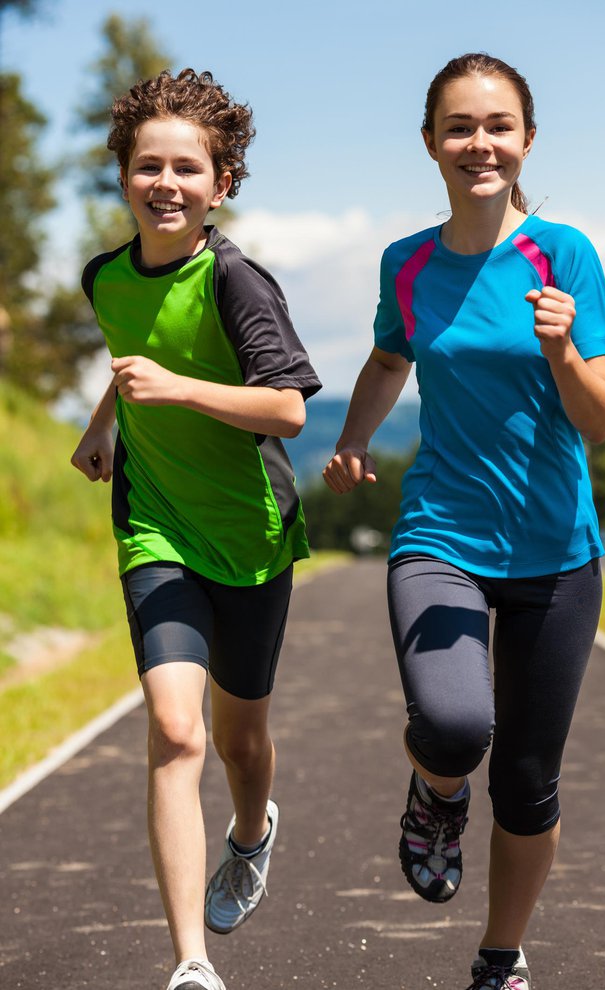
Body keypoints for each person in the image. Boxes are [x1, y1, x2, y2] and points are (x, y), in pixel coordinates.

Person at [323, 53, 605, 990]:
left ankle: (501, 955)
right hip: (440, 534)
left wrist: (566, 347)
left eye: (498, 126)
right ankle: (435, 792)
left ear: (527, 140)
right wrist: (353, 440)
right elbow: (386, 359)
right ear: (430, 144)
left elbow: (600, 419)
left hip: (554, 550)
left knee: (528, 781)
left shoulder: (564, 252)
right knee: (455, 725)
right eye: (459, 127)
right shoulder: (406, 262)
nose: (479, 143)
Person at [71, 68, 321, 990]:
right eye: (148, 166)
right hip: (155, 526)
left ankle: (251, 832)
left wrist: (176, 392)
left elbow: (288, 410)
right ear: (125, 176)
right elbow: (135, 357)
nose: (165, 183)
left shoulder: (238, 280)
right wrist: (105, 421)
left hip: (250, 536)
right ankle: (190, 964)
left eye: (187, 168)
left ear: (221, 184)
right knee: (176, 733)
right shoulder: (105, 276)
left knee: (237, 739)